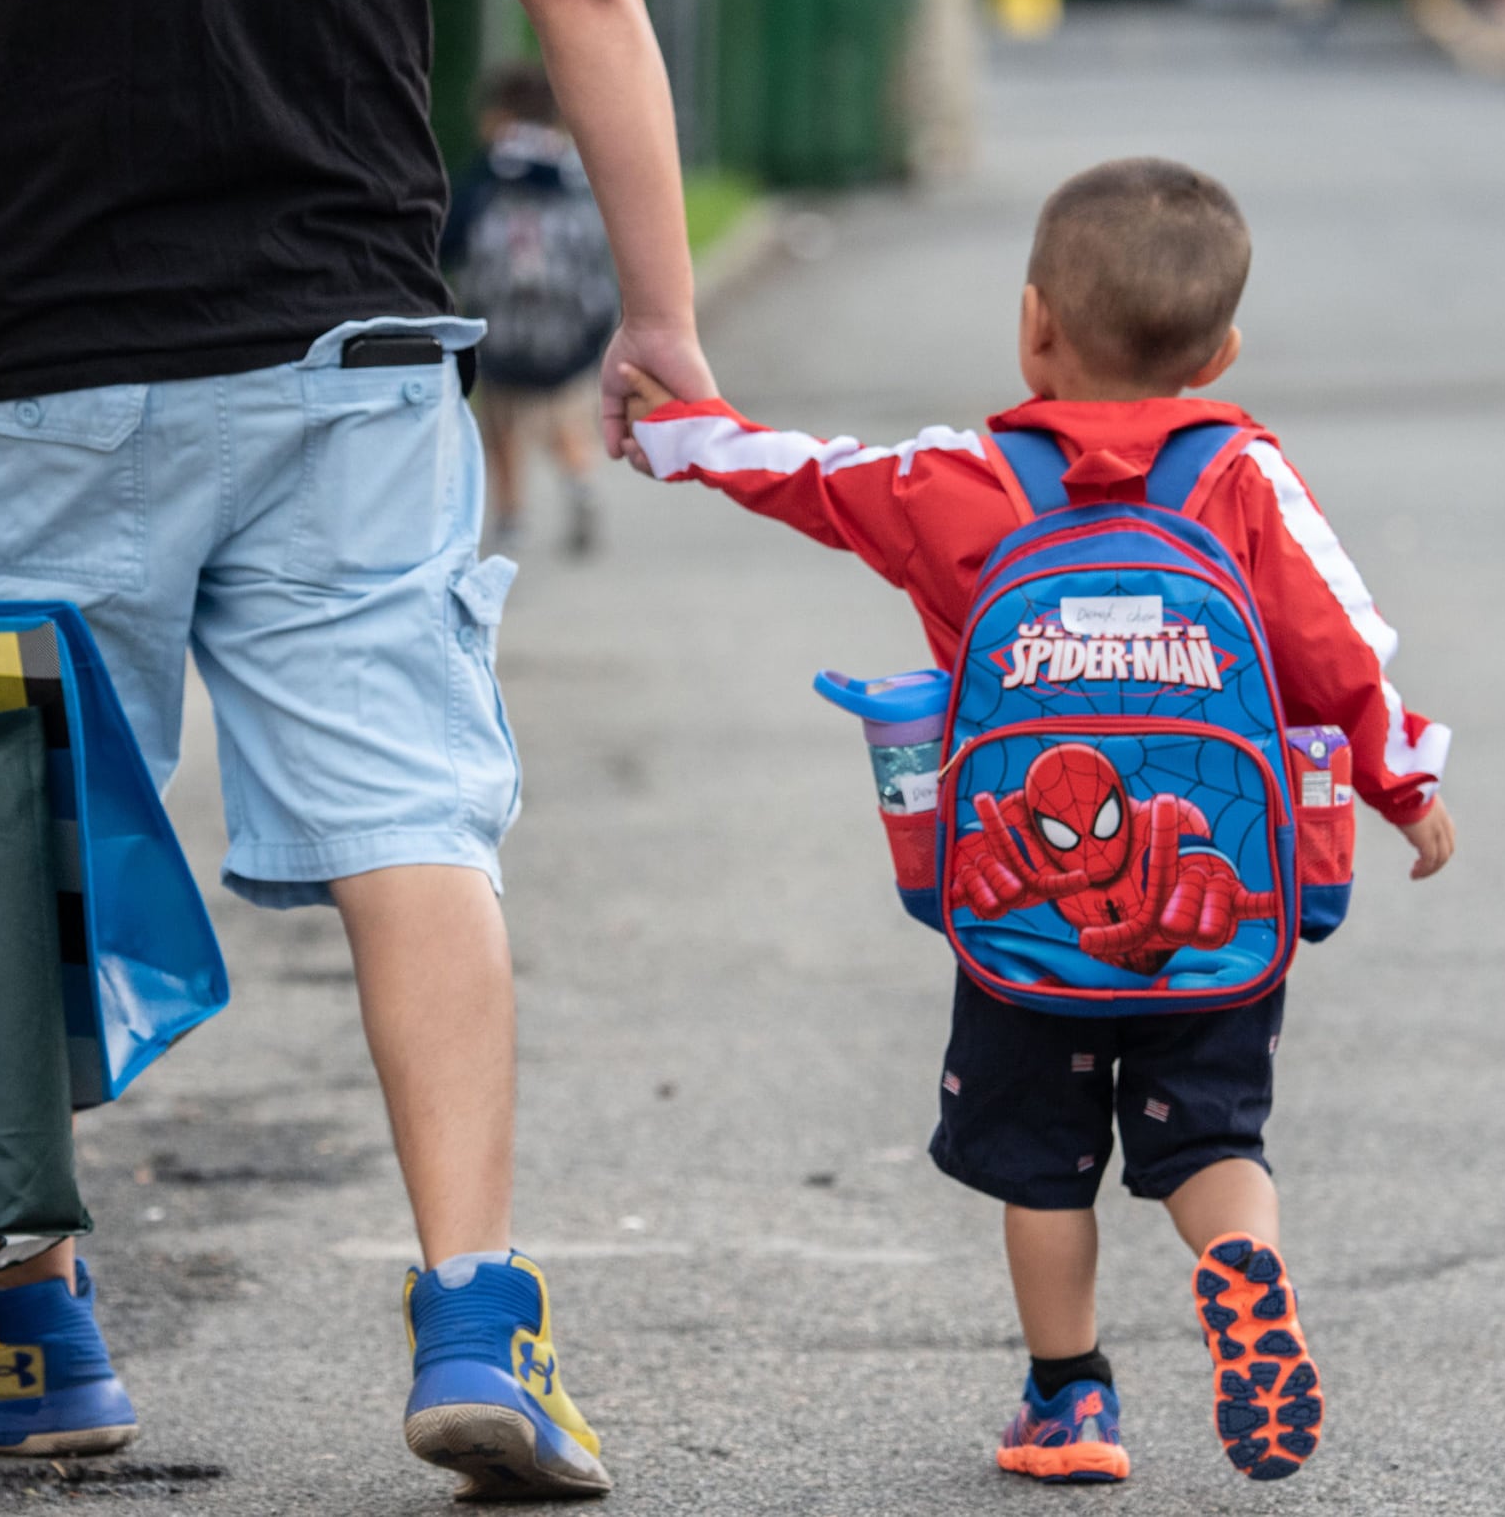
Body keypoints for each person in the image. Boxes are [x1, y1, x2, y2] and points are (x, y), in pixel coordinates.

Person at [0, 0, 717, 1497]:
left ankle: (21, 1319)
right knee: (411, 816)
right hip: (347, 356)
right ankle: (478, 1314)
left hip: (41, 359)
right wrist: (660, 311)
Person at [616, 158, 1457, 1487]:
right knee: (1215, 1138)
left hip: (1021, 915)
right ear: (1222, 349)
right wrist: (1403, 779)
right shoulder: (1243, 478)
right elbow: (1340, 646)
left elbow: (816, 478)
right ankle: (1243, 1262)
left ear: (1033, 325)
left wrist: (684, 428)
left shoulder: (962, 478)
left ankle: (1068, 1402)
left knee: (1045, 1163)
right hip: (1217, 909)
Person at [442, 62, 621, 557]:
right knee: (565, 419)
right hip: (570, 333)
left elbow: (450, 241)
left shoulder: (484, 173)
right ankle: (581, 481)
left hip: (499, 333)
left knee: (502, 429)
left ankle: (510, 520)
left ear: (497, 116)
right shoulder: (576, 171)